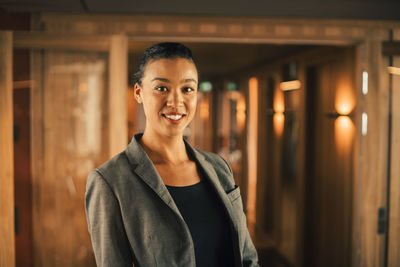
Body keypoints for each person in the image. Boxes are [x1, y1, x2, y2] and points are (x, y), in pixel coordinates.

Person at [85, 42, 259, 267]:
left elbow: (246, 256)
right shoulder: (110, 181)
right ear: (139, 92)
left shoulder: (218, 167)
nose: (176, 102)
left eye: (187, 89)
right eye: (161, 88)